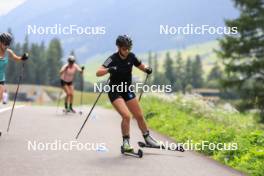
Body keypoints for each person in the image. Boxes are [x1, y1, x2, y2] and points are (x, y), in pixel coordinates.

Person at [96, 35, 161, 152]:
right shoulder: (112, 59)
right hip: (115, 91)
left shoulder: (131, 56)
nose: (127, 51)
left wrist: (147, 69)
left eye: (128, 48)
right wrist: (109, 70)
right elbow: (98, 72)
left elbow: (141, 66)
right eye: (124, 48)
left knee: (139, 116)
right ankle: (126, 143)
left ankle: (147, 138)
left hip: (127, 90)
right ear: (119, 47)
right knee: (126, 116)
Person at [0, 32, 28, 137]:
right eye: (5, 43)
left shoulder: (8, 52)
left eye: (8, 43)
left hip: (1, 79)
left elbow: (16, 58)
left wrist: (22, 58)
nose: (6, 45)